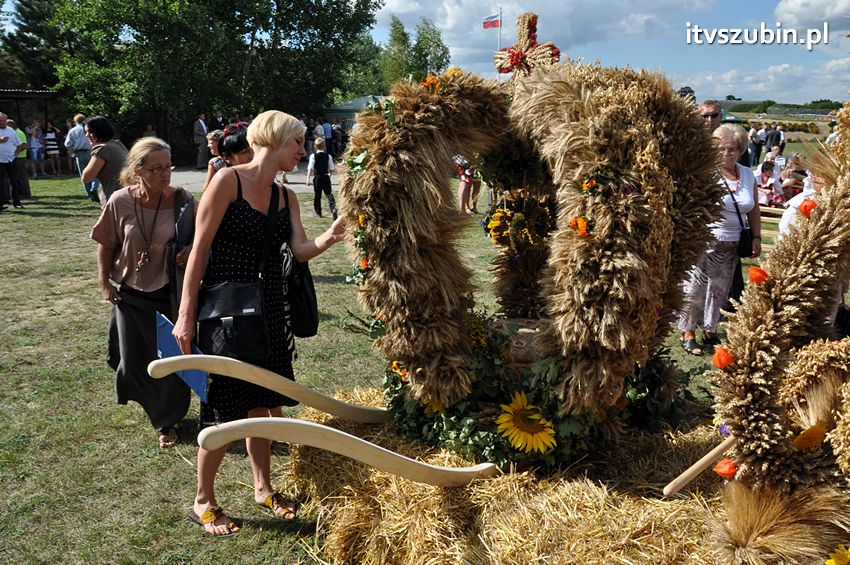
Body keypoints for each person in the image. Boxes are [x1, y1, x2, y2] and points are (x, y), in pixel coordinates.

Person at [172, 110, 346, 536]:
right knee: (224, 409)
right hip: (228, 313)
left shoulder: (286, 196)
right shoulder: (226, 181)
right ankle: (203, 500)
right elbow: (198, 252)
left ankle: (263, 488)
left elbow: (300, 250)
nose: (303, 151)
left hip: (271, 311)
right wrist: (185, 314)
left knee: (266, 403)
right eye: (298, 143)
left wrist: (331, 236)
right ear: (274, 140)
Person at [90, 137, 193, 449]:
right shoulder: (120, 201)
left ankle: (167, 420)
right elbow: (106, 244)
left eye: (168, 167)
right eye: (157, 169)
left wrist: (189, 248)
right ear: (138, 170)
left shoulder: (182, 200)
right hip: (130, 295)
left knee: (173, 360)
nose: (166, 174)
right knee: (134, 360)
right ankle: (152, 407)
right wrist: (105, 283)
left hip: (170, 294)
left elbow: (205, 234)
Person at [679, 124, 761, 355]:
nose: (727, 153)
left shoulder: (747, 174)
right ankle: (688, 332)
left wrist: (756, 236)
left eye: (733, 149)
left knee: (720, 290)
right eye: (722, 149)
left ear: (741, 149)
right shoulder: (706, 172)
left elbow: (753, 210)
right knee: (696, 288)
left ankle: (710, 329)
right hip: (705, 240)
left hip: (733, 243)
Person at [81, 116, 130, 207]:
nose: (87, 135)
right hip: (127, 197)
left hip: (115, 200)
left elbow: (86, 177)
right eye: (85, 132)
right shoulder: (117, 144)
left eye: (90, 131)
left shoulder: (102, 149)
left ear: (101, 131)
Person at [65, 113, 98, 202]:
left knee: (84, 175)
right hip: (91, 151)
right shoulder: (89, 128)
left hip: (79, 153)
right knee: (95, 171)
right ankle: (94, 187)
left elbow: (67, 144)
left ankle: (90, 195)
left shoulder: (72, 131)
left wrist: (72, 153)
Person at [0, 112, 27, 211]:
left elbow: (19, 144)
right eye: (0, 121)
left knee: (14, 182)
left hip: (10, 159)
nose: (2, 123)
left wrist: (15, 154)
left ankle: (17, 203)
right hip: (0, 160)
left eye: (4, 121)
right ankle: (1, 204)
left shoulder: (10, 130)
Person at [305, 137, 337, 219]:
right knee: (329, 194)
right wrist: (329, 175)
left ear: (315, 146)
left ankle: (318, 212)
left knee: (317, 195)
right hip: (325, 176)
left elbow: (310, 168)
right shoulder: (328, 156)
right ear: (324, 146)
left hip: (317, 177)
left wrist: (308, 179)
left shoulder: (313, 156)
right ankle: (333, 208)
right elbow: (331, 168)